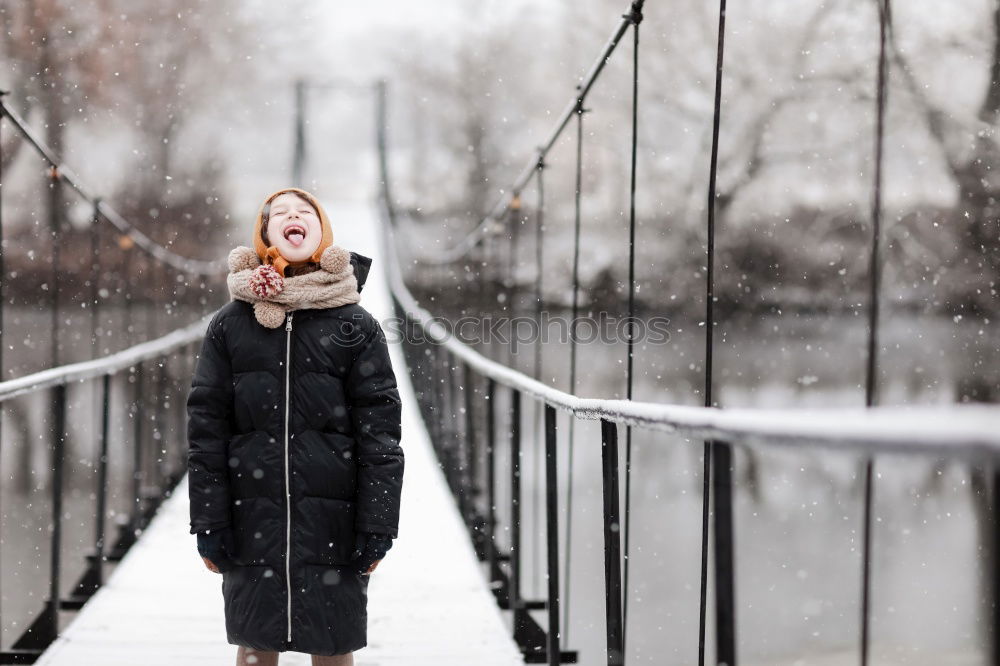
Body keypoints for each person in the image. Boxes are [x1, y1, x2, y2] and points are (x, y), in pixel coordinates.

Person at [186, 187, 404, 666]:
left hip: (334, 520)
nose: (292, 216)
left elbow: (381, 434)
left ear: (323, 235)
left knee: (333, 643)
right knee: (255, 642)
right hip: (251, 517)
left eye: (304, 212)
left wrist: (378, 523)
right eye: (279, 214)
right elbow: (206, 428)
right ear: (264, 238)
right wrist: (208, 519)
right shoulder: (230, 325)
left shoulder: (356, 325)